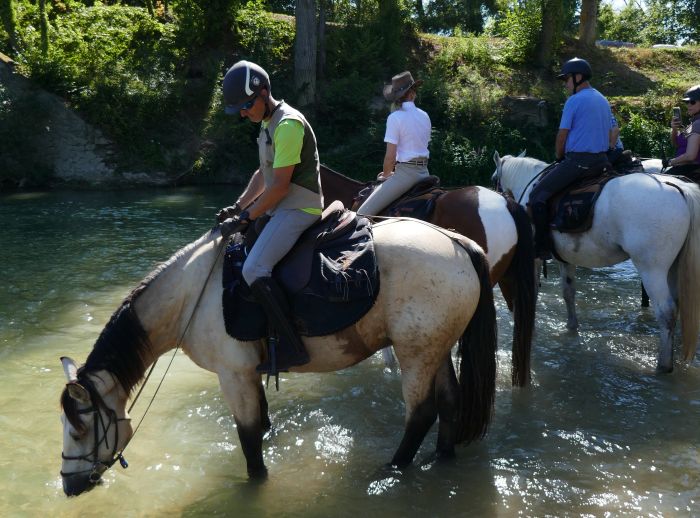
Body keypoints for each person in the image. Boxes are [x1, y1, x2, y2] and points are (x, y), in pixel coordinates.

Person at [217, 60, 324, 373]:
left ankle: (292, 346)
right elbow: (262, 174)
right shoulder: (268, 122)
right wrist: (238, 207)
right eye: (240, 108)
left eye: (247, 105)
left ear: (264, 93)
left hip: (299, 208)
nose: (243, 112)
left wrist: (247, 217)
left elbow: (278, 188)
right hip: (281, 206)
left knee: (254, 267)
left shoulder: (288, 124)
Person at [528, 57, 612, 260]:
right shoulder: (602, 99)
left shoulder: (574, 101)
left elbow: (562, 135)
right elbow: (610, 134)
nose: (565, 84)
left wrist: (559, 157)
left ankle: (542, 246)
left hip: (578, 162)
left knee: (537, 195)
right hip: (602, 162)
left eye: (566, 79)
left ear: (578, 77)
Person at [356, 71, 431, 215]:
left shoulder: (395, 118)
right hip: (425, 172)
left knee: (362, 213)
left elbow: (390, 157)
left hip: (406, 175)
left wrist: (385, 175)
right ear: (413, 94)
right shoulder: (425, 115)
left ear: (396, 98)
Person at [667, 84, 700, 172]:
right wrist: (674, 129)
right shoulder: (693, 123)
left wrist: (670, 162)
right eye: (687, 102)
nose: (688, 105)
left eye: (692, 102)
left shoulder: (698, 124)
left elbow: (690, 156)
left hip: (689, 169)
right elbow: (676, 145)